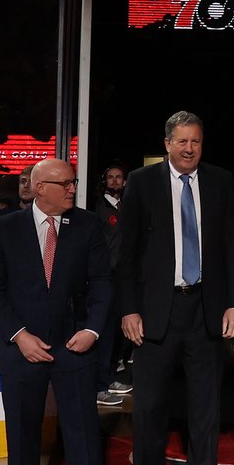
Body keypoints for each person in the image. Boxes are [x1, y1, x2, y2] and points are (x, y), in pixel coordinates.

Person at [0, 158, 114, 465]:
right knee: (21, 435)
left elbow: (103, 282)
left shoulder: (88, 225)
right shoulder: (4, 229)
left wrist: (91, 330)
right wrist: (20, 336)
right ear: (39, 188)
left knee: (84, 433)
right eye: (65, 183)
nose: (73, 189)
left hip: (75, 348)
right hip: (21, 351)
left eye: (73, 182)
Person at [117, 111, 234, 465]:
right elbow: (126, 254)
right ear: (167, 143)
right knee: (150, 410)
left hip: (205, 311)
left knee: (205, 412)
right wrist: (129, 309)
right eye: (182, 141)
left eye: (196, 142)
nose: (189, 149)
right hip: (156, 314)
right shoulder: (141, 182)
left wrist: (233, 304)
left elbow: (231, 247)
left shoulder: (221, 181)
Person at [93, 164, 132, 406]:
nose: (115, 181)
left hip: (124, 279)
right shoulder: (99, 208)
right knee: (105, 334)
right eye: (111, 177)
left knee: (118, 333)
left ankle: (108, 379)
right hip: (105, 278)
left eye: (119, 177)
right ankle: (99, 386)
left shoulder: (127, 207)